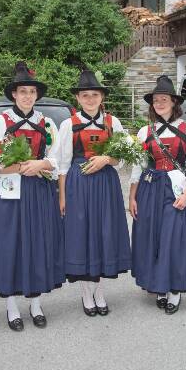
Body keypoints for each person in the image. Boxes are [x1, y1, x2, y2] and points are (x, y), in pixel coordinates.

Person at [0, 62, 64, 331]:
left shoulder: (48, 123)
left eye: (31, 91)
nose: (27, 96)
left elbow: (57, 159)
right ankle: (12, 307)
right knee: (11, 245)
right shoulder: (0, 122)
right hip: (10, 192)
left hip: (39, 190)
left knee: (38, 243)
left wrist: (41, 165)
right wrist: (21, 167)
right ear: (14, 95)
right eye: (22, 91)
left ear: (36, 95)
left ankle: (36, 303)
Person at [57, 70, 131, 316]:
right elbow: (62, 164)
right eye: (85, 95)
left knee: (102, 234)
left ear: (102, 98)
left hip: (106, 185)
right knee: (82, 235)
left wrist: (107, 158)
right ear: (78, 98)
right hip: (79, 184)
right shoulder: (68, 124)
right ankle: (86, 292)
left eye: (95, 95)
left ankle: (99, 290)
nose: (90, 99)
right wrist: (63, 195)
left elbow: (123, 158)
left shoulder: (113, 122)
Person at [129, 75, 186, 314]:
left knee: (174, 239)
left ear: (174, 102)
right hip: (150, 188)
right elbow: (137, 167)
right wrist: (132, 197)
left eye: (164, 99)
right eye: (156, 100)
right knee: (153, 238)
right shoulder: (144, 132)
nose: (159, 103)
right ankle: (159, 286)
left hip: (176, 189)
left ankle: (175, 290)